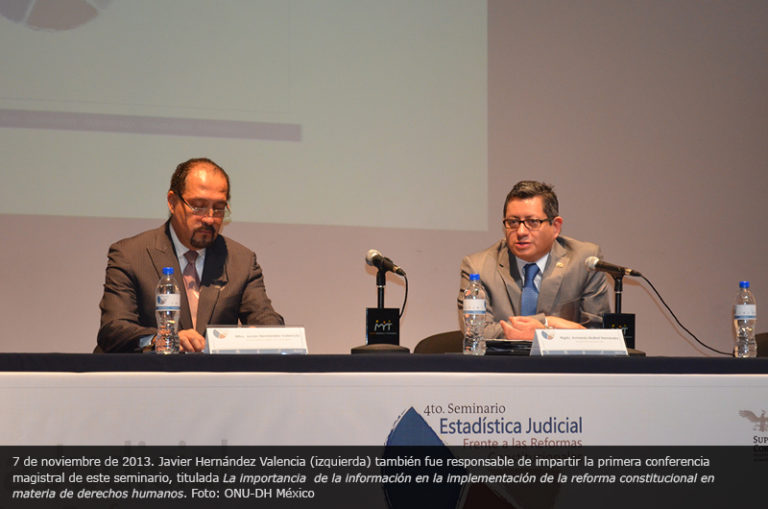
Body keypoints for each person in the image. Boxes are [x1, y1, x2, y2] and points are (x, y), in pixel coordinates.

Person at [97, 157, 284, 353]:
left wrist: (260, 335)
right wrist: (162, 339)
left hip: (213, 372)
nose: (209, 219)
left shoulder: (241, 261)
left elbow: (266, 320)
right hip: (150, 370)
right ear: (172, 202)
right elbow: (114, 329)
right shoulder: (130, 255)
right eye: (198, 206)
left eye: (219, 208)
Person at [458, 180, 610, 340]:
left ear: (556, 227)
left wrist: (543, 328)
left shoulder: (584, 262)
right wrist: (546, 324)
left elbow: (597, 335)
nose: (521, 232)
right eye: (513, 222)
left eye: (532, 222)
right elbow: (476, 332)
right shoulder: (477, 267)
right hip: (505, 357)